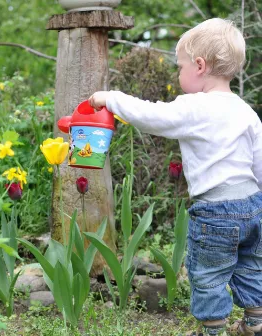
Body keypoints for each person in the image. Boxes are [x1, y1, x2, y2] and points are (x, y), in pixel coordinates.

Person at [88, 18, 262, 336]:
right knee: (250, 265)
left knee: (207, 273)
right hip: (252, 204)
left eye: (179, 67)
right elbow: (259, 163)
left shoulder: (193, 107)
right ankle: (256, 321)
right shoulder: (245, 111)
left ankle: (212, 330)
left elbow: (151, 115)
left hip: (215, 211)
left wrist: (109, 99)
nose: (177, 74)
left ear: (199, 65)